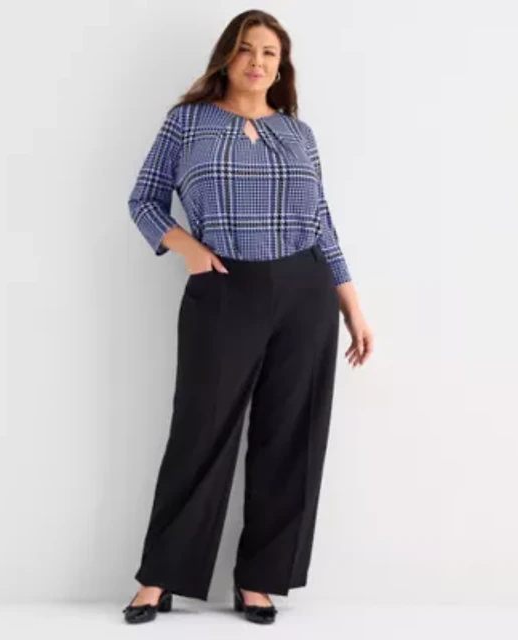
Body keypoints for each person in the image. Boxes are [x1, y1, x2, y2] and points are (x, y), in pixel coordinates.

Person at [122, 9, 373, 625]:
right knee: (200, 430)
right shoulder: (189, 122)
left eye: (269, 53)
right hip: (224, 287)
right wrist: (190, 250)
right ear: (226, 57)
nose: (257, 62)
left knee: (290, 434)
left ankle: (259, 580)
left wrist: (352, 306)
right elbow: (144, 199)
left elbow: (322, 222)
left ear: (281, 67)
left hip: (305, 290)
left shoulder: (298, 133)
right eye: (246, 49)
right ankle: (159, 578)